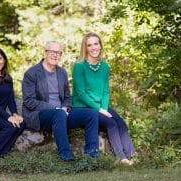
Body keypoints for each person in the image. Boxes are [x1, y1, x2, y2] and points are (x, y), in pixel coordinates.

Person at [22, 41, 99, 161]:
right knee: (59, 114)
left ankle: (92, 156)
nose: (55, 55)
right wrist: (56, 109)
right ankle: (66, 157)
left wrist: (65, 108)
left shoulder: (62, 72)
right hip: (39, 115)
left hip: (62, 113)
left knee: (92, 114)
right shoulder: (31, 73)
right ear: (45, 53)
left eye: (58, 53)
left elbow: (68, 97)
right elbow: (29, 101)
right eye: (52, 52)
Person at [72, 32, 135, 165]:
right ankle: (122, 158)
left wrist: (104, 108)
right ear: (85, 48)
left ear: (100, 45)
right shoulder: (79, 66)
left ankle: (132, 156)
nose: (94, 47)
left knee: (121, 123)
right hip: (83, 107)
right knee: (111, 124)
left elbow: (106, 91)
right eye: (90, 45)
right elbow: (81, 93)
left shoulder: (104, 66)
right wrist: (100, 110)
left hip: (100, 106)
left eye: (96, 43)